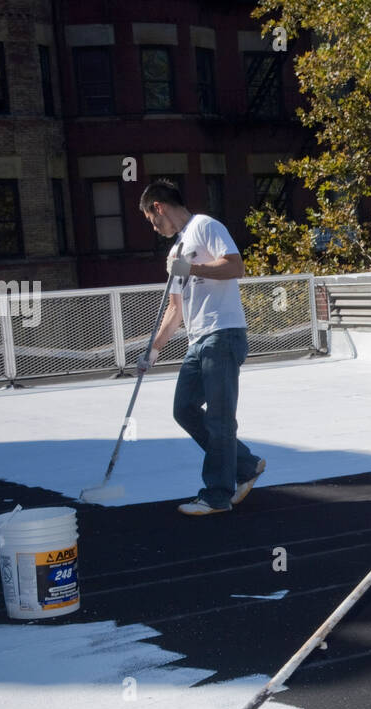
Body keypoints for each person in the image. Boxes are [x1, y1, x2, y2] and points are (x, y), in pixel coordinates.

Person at [137, 179, 266, 515]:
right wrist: (154, 348)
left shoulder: (205, 226)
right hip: (198, 342)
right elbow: (175, 308)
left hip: (223, 334)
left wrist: (190, 267)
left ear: (159, 207)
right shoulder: (175, 251)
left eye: (153, 221)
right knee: (184, 409)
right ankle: (247, 464)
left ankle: (216, 496)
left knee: (220, 420)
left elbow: (236, 266)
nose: (154, 228)